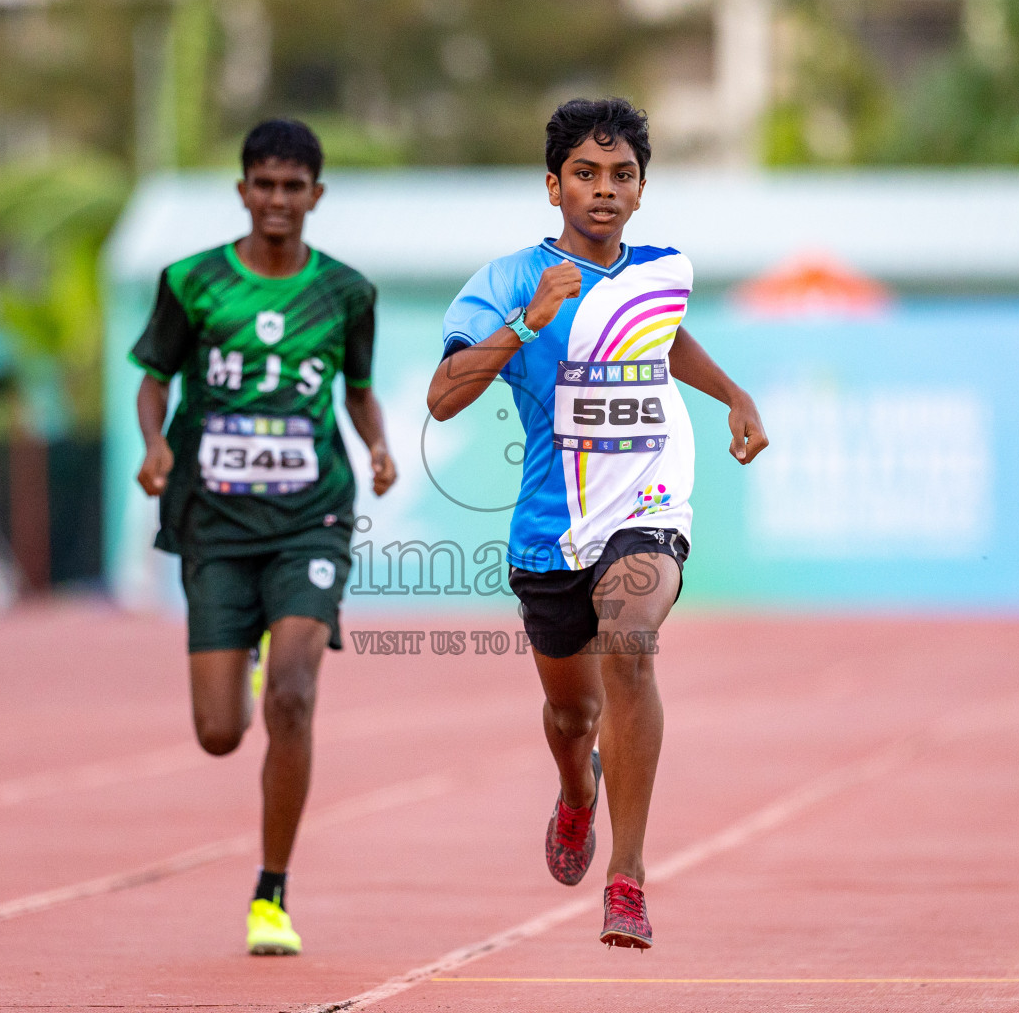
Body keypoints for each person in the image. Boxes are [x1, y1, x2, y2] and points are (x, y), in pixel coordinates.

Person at [428, 98, 766, 949]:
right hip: (549, 529)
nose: (604, 190)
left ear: (643, 190)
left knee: (631, 640)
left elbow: (664, 341)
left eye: (622, 176)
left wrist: (733, 395)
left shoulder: (661, 271)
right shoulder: (505, 281)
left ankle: (629, 878)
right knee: (573, 718)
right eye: (586, 174)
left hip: (650, 506)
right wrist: (528, 321)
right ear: (554, 185)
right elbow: (444, 396)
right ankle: (577, 791)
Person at [131, 119, 396, 956]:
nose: (278, 200)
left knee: (293, 695)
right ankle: (236, 658)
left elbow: (357, 390)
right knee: (219, 734)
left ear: (317, 195)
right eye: (264, 184)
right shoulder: (192, 283)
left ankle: (271, 894)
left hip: (309, 518)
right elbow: (153, 379)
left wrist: (380, 444)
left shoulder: (346, 293)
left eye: (295, 186)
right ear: (243, 190)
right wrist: (156, 444)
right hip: (214, 520)